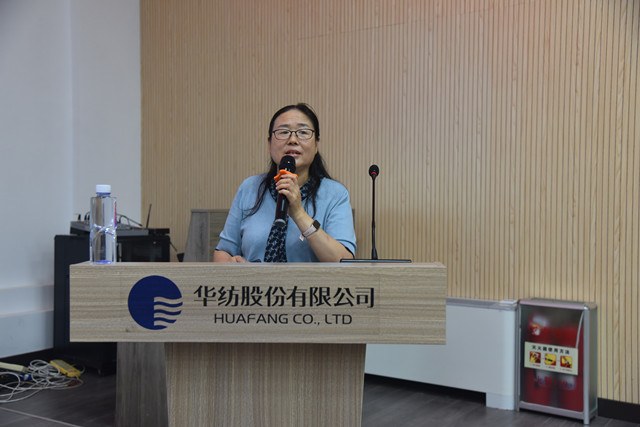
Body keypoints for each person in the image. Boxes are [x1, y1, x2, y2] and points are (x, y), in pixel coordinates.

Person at [213, 103, 356, 263]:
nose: (293, 140)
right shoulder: (249, 188)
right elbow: (223, 251)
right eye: (283, 132)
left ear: (316, 145)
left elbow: (343, 261)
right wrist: (231, 265)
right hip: (253, 280)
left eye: (303, 132)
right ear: (269, 144)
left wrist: (299, 213)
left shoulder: (335, 194)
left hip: (306, 281)